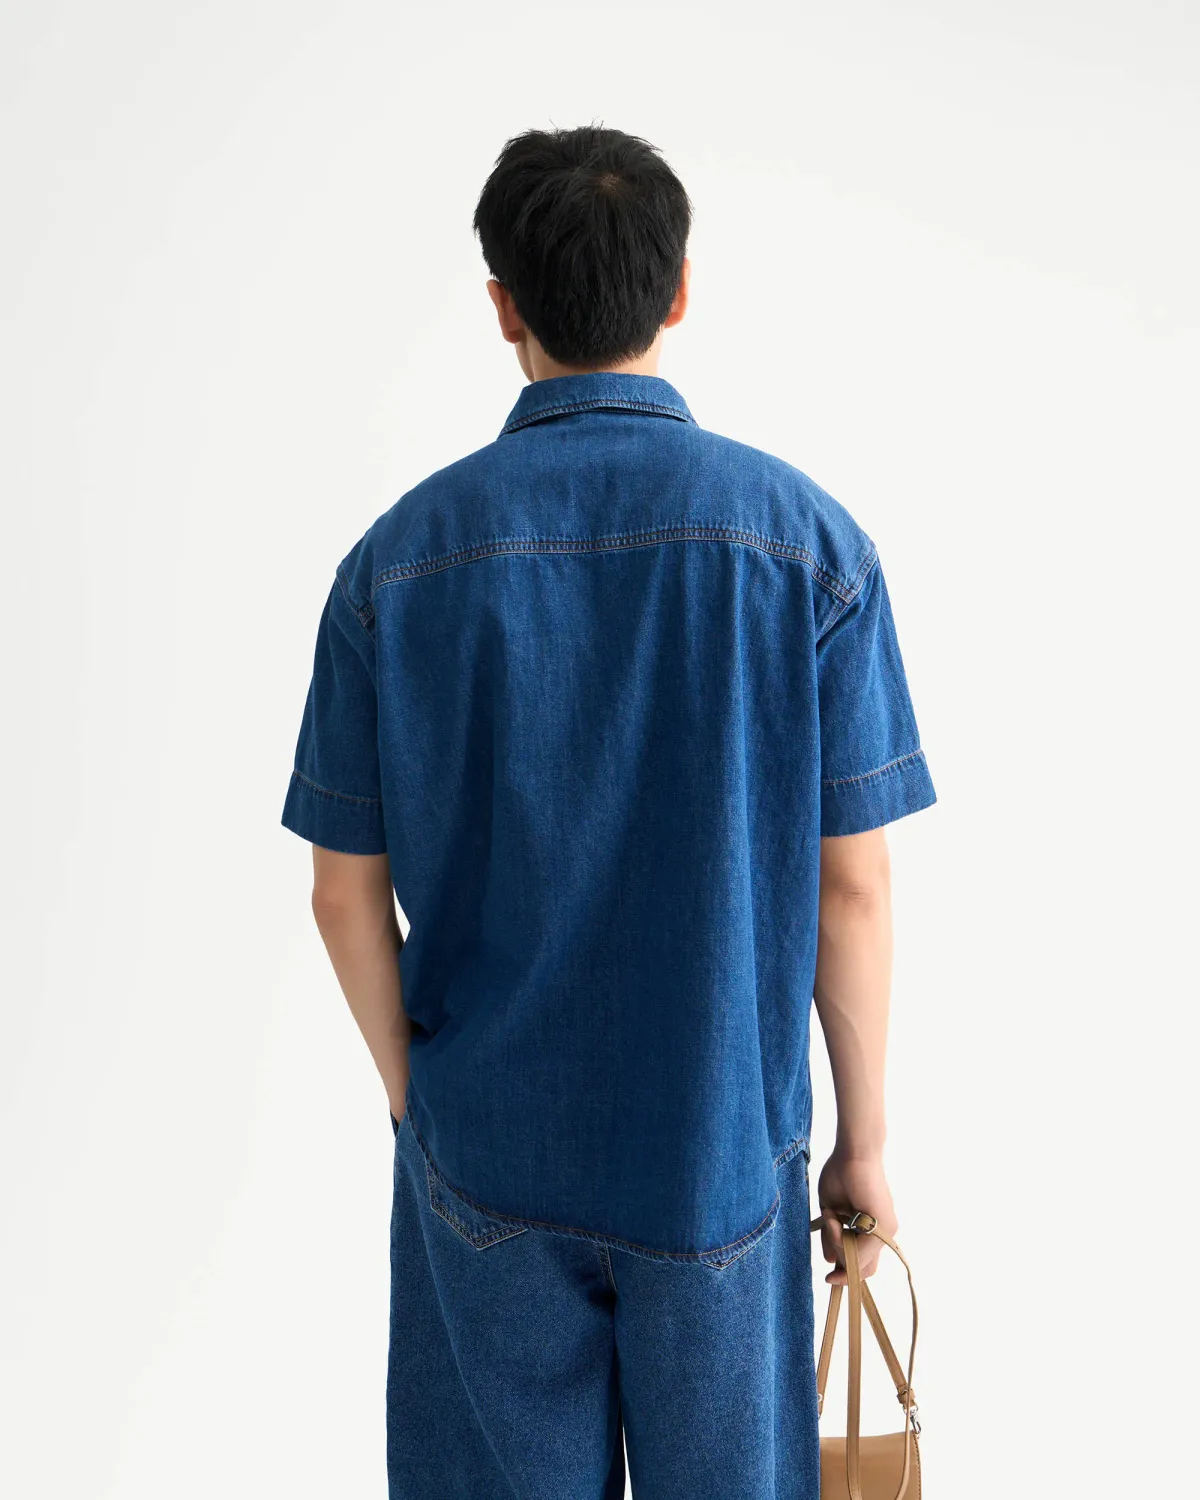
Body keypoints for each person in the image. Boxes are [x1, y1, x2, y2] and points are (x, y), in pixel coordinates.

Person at [281, 123, 936, 1500]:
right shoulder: (811, 549)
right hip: (719, 1150)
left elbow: (343, 893)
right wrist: (864, 1141)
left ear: (503, 307)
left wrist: (416, 1101)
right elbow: (854, 886)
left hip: (485, 1148)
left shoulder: (393, 567)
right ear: (679, 291)